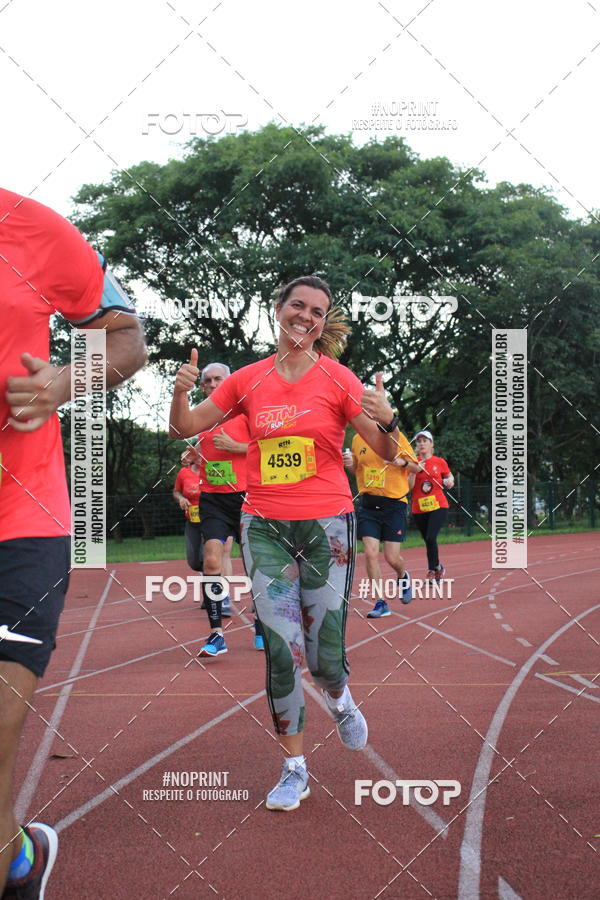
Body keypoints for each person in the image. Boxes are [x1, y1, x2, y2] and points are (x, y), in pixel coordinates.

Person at [170, 274, 411, 811]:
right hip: (265, 527)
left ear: (324, 323)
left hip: (328, 527)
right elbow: (183, 426)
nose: (306, 316)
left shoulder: (340, 378)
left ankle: (341, 698)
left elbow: (390, 451)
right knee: (280, 649)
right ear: (278, 310)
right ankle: (294, 768)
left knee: (324, 659)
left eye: (317, 311)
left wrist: (390, 417)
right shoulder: (249, 380)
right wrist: (180, 389)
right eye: (297, 306)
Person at [0, 187, 146, 897]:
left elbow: (126, 337)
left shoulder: (31, 226)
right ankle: (19, 860)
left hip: (20, 521)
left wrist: (63, 378)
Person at [189, 363, 262, 654]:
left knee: (254, 565)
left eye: (219, 379)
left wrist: (238, 447)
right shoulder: (202, 417)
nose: (212, 383)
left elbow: (269, 445)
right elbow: (200, 443)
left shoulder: (246, 412)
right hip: (213, 499)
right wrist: (194, 451)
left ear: (230, 382)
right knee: (211, 561)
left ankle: (261, 623)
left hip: (247, 497)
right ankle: (216, 633)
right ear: (203, 386)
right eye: (207, 381)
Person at [344, 433, 419, 617]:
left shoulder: (396, 437)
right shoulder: (357, 438)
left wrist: (402, 463)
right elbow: (357, 468)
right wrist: (349, 463)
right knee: (370, 553)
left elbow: (416, 467)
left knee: (392, 558)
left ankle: (403, 576)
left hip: (395, 504)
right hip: (368, 504)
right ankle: (381, 602)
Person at [410, 430, 454, 581]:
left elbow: (449, 477)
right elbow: (408, 487)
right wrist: (414, 471)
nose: (421, 443)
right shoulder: (412, 462)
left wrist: (449, 482)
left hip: (438, 505)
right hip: (418, 508)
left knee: (430, 536)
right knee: (428, 540)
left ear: (431, 444)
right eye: (419, 441)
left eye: (425, 440)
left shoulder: (439, 461)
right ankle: (438, 567)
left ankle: (431, 569)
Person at [173, 446, 204, 573]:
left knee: (209, 556)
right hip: (192, 522)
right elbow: (176, 491)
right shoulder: (183, 473)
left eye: (203, 453)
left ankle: (212, 581)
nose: (199, 456)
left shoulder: (212, 471)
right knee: (194, 562)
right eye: (197, 453)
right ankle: (205, 572)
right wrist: (180, 498)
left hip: (210, 520)